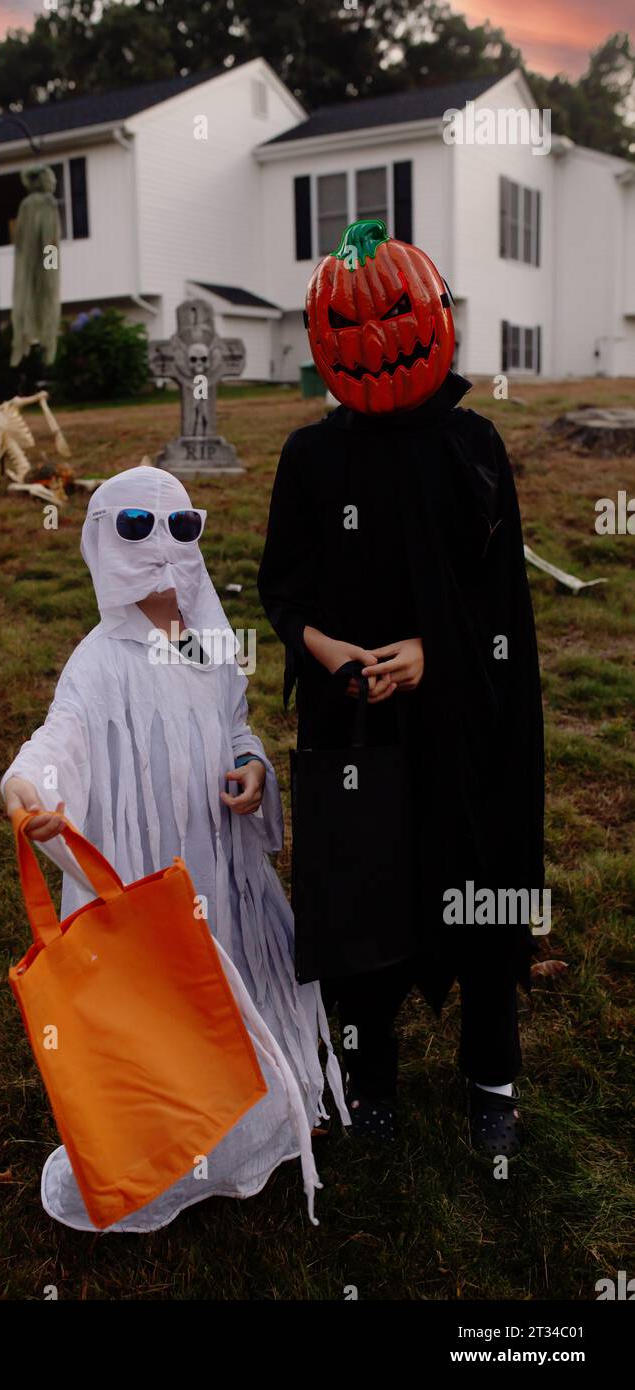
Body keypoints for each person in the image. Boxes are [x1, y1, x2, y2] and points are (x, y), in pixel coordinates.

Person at [258, 219, 544, 1159]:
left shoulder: (472, 448)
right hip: (356, 734)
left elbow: (499, 598)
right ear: (324, 336)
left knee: (480, 885)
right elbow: (283, 584)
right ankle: (368, 1073)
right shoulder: (313, 459)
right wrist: (329, 649)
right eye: (354, 323)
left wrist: (435, 653)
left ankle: (490, 1076)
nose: (378, 340)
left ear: (433, 314)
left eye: (396, 317)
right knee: (363, 895)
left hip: (467, 731)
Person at [1, 464, 347, 1232]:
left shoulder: (209, 645)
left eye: (182, 528)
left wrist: (251, 767)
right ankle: (162, 1141)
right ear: (103, 545)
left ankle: (235, 1127)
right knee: (161, 1004)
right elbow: (59, 739)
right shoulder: (97, 663)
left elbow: (234, 723)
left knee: (218, 995)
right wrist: (28, 788)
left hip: (216, 871)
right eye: (136, 529)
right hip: (144, 868)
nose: (163, 549)